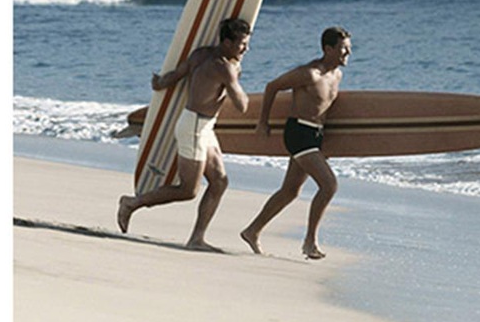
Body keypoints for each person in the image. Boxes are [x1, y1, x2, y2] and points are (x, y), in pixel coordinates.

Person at [117, 18, 252, 251]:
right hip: (194, 129)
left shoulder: (200, 54)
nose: (246, 49)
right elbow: (242, 106)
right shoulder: (226, 68)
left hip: (202, 126)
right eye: (242, 44)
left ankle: (197, 239)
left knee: (219, 182)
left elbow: (173, 77)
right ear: (227, 42)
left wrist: (159, 83)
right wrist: (236, 74)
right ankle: (132, 203)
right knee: (188, 190)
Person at [240, 26, 352, 260]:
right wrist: (262, 122)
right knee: (329, 185)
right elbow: (272, 86)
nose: (348, 53)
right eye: (343, 49)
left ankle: (252, 231)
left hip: (315, 137)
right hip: (299, 133)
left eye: (349, 49)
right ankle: (310, 242)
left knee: (290, 191)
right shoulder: (309, 74)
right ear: (328, 49)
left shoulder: (337, 75)